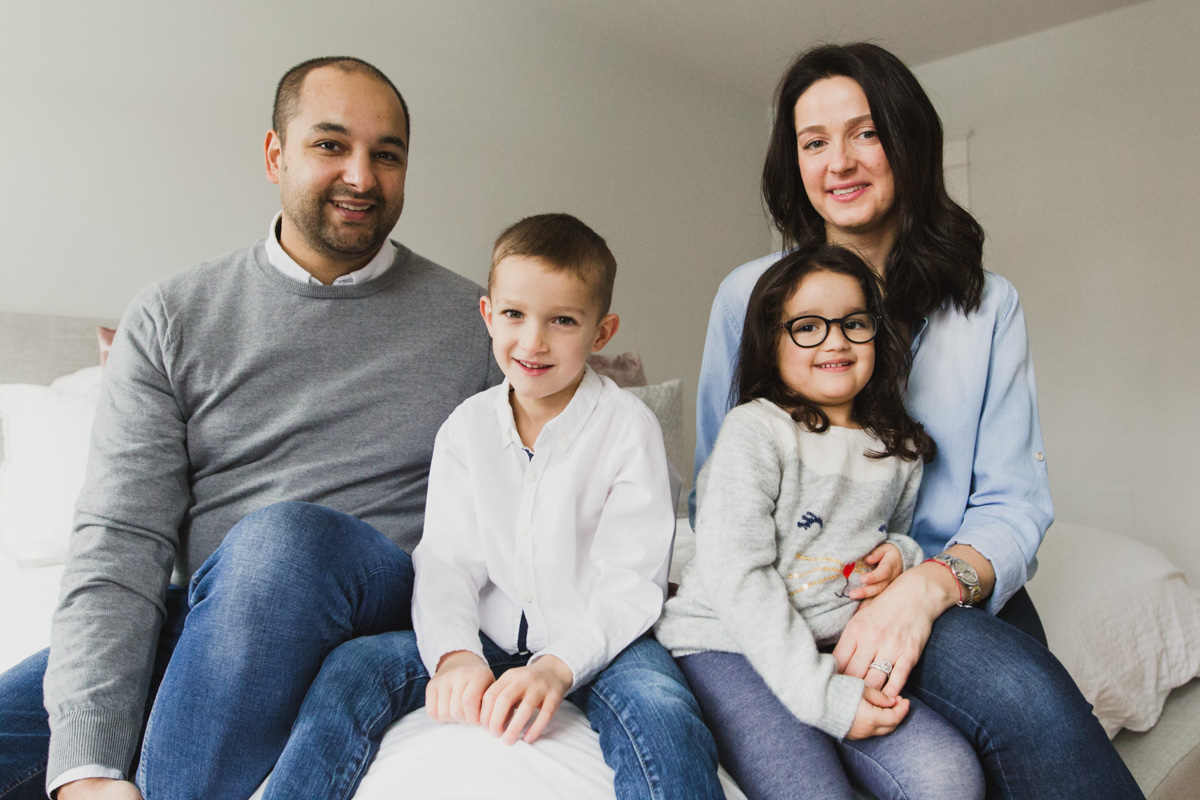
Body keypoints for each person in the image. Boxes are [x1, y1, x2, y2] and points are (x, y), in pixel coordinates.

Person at [0, 57, 501, 800]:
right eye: (331, 145)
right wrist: (88, 770)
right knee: (47, 730)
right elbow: (122, 543)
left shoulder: (483, 326)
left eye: (386, 154)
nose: (361, 175)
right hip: (214, 615)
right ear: (275, 155)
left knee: (283, 541)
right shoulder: (173, 316)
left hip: (381, 603)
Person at [692, 43, 1143, 798]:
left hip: (945, 580)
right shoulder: (749, 296)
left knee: (1028, 698)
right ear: (793, 164)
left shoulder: (985, 304)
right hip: (801, 592)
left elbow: (1015, 500)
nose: (840, 160)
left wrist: (927, 584)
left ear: (908, 141)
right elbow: (717, 492)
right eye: (814, 142)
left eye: (865, 132)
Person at [258, 213, 725, 800]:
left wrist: (559, 666)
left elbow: (630, 581)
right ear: (488, 315)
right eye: (514, 315)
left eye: (562, 321)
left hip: (598, 644)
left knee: (664, 709)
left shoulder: (629, 429)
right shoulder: (466, 429)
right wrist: (455, 655)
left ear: (600, 333)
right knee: (352, 669)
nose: (533, 341)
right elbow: (449, 560)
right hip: (489, 637)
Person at [658, 244, 983, 800]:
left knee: (949, 777)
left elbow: (886, 535)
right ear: (771, 341)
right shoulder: (755, 432)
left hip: (835, 646)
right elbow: (737, 574)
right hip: (728, 644)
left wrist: (902, 557)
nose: (835, 340)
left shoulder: (898, 448)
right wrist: (824, 699)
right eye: (807, 326)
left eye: (854, 323)